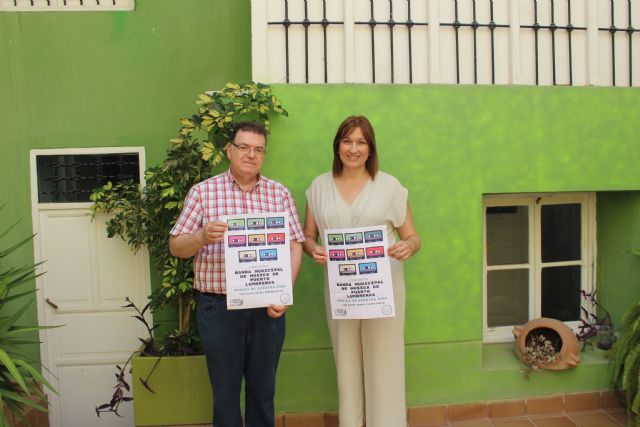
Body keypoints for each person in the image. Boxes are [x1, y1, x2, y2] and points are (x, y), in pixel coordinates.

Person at [169, 121, 304, 427]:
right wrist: (202, 236)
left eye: (258, 149)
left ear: (264, 155)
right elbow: (176, 246)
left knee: (263, 393)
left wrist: (285, 292)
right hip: (219, 308)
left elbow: (295, 246)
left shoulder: (279, 194)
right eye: (243, 147)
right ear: (229, 150)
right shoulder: (203, 193)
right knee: (225, 396)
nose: (251, 155)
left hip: (267, 308)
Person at [302, 115, 420, 427]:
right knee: (346, 363)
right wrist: (312, 248)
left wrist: (408, 247)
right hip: (341, 290)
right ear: (337, 146)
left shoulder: (389, 186)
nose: (353, 148)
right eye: (347, 141)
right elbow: (307, 236)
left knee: (385, 363)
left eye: (361, 142)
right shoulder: (318, 187)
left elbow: (413, 236)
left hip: (383, 288)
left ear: (370, 149)